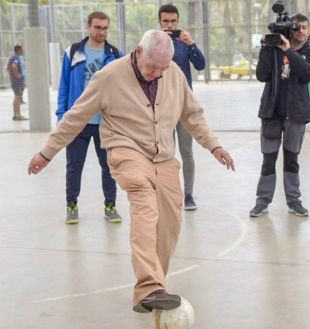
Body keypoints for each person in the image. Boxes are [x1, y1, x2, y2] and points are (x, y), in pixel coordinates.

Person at [27, 30, 235, 313]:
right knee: (145, 204)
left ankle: (152, 289)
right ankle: (149, 286)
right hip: (126, 151)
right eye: (152, 67)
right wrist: (46, 152)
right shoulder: (108, 77)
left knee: (170, 223)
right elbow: (75, 116)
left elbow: (193, 114)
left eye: (163, 68)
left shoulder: (171, 73)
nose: (157, 74)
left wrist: (214, 146)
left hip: (163, 158)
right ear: (138, 52)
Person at [250, 13, 310, 217]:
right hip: (271, 113)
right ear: (290, 29)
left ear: (308, 30)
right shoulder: (273, 50)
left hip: (296, 115)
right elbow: (262, 76)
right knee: (268, 159)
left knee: (292, 159)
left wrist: (288, 49)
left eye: (305, 27)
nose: (301, 31)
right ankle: (262, 201)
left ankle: (293, 201)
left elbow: (307, 73)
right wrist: (266, 47)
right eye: (297, 27)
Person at [56, 11, 123, 224]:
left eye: (105, 28)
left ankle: (110, 206)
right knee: (74, 166)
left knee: (109, 166)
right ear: (88, 27)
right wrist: (61, 117)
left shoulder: (115, 54)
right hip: (78, 122)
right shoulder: (73, 52)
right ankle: (71, 205)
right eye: (97, 27)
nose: (101, 31)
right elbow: (63, 87)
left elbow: (124, 88)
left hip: (106, 123)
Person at [158, 4, 206, 211]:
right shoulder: (152, 42)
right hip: (161, 107)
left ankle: (188, 194)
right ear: (159, 22)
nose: (169, 25)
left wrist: (191, 44)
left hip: (184, 107)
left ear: (178, 22)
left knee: (187, 152)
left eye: (173, 21)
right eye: (165, 21)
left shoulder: (184, 42)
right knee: (164, 152)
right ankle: (167, 191)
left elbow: (201, 65)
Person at [6, 45, 27, 121]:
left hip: (14, 79)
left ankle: (17, 114)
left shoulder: (13, 57)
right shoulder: (15, 58)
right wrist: (18, 75)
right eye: (22, 50)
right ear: (18, 50)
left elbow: (7, 68)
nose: (23, 51)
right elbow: (14, 67)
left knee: (17, 96)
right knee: (17, 97)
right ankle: (17, 115)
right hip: (16, 80)